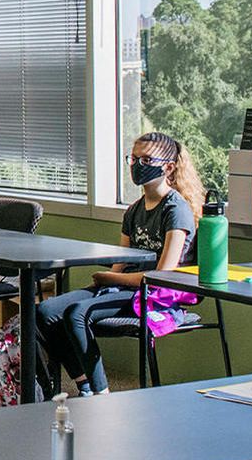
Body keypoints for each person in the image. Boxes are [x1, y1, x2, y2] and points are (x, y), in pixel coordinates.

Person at [35, 131, 203, 397]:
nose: (137, 166)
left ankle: (102, 394)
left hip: (153, 295)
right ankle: (85, 385)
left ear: (168, 167)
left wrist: (110, 280)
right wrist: (104, 283)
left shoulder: (176, 210)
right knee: (44, 311)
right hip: (124, 286)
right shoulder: (134, 210)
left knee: (77, 313)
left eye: (147, 160)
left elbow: (162, 275)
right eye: (134, 159)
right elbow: (122, 262)